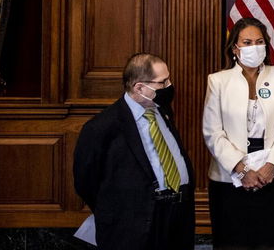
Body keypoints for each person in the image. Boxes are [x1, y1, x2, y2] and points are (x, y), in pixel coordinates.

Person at [73, 52, 195, 250]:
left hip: (175, 216)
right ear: (140, 87)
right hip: (134, 225)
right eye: (162, 82)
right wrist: (117, 210)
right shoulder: (101, 127)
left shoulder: (162, 110)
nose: (169, 86)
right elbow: (86, 182)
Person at [203, 18, 274, 250]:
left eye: (259, 42)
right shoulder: (218, 81)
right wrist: (242, 170)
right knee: (231, 243)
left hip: (271, 176)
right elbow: (212, 132)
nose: (254, 47)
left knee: (270, 242)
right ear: (235, 47)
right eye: (247, 42)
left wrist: (271, 166)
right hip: (229, 180)